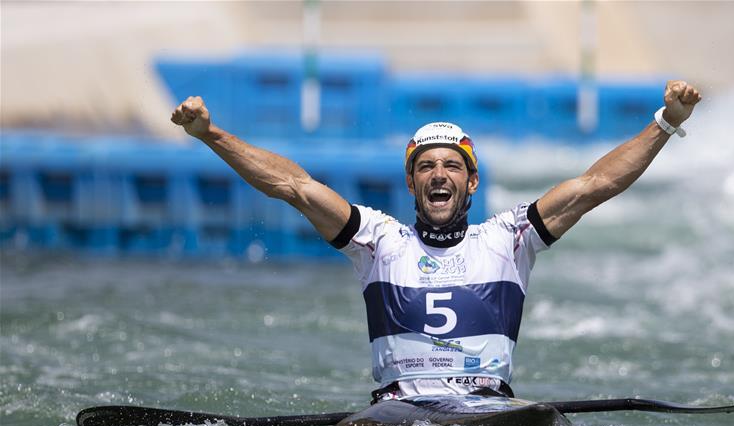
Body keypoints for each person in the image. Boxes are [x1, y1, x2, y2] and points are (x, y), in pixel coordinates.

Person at [171, 80, 702, 402]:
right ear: (411, 183)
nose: (438, 174)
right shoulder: (377, 241)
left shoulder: (509, 238)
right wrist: (210, 135)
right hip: (400, 410)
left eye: (452, 166)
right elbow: (294, 186)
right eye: (426, 167)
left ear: (472, 182)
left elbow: (595, 185)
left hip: (488, 405)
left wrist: (666, 123)